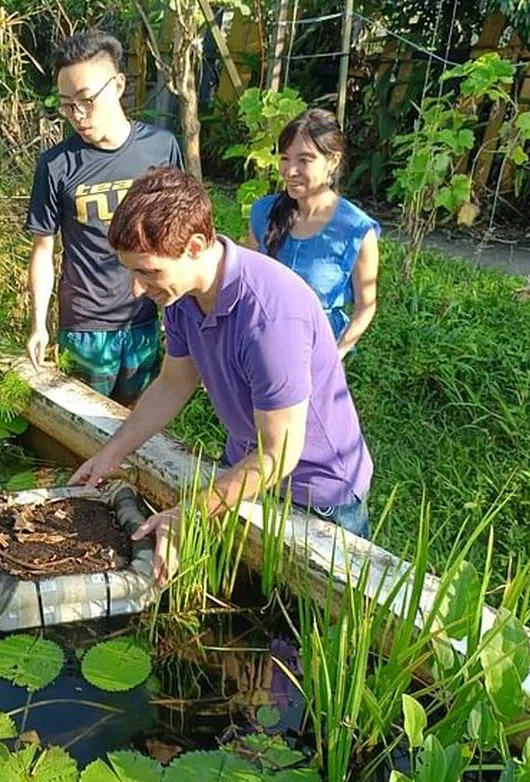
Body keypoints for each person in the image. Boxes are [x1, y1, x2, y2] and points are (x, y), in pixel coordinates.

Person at [71, 167, 374, 584]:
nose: (135, 289)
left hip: (316, 491)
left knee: (311, 615)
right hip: (246, 464)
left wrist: (187, 515)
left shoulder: (270, 317)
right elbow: (173, 383)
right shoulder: (182, 295)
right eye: (131, 271)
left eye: (148, 271)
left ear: (195, 246)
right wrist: (112, 453)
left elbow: (279, 454)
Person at [25, 30, 183, 405]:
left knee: (139, 421)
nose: (78, 115)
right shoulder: (56, 165)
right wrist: (38, 323)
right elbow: (43, 249)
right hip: (84, 327)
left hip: (145, 318)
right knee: (82, 426)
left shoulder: (161, 148)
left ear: (118, 85)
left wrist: (180, 311)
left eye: (87, 100)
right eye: (67, 105)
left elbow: (178, 233)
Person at [246, 109, 380, 358]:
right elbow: (245, 284)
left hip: (317, 352)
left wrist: (335, 356)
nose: (290, 171)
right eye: (285, 158)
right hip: (259, 345)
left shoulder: (356, 230)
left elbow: (365, 306)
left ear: (333, 161)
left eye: (304, 160)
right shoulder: (263, 213)